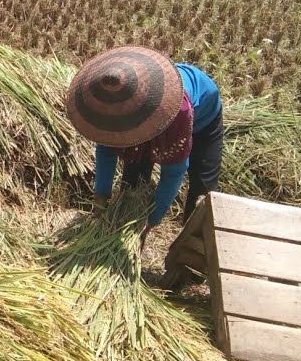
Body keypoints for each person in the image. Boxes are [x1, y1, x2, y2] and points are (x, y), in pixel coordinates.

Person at [66, 45, 224, 243]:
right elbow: (106, 149)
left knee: (203, 189)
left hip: (203, 118)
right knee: (132, 183)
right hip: (143, 109)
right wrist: (101, 197)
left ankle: (189, 252)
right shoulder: (111, 107)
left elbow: (174, 172)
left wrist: (151, 221)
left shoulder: (177, 113)